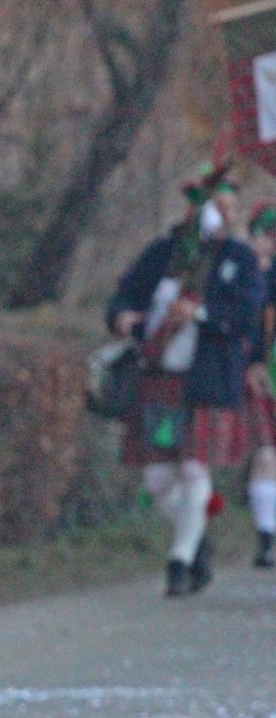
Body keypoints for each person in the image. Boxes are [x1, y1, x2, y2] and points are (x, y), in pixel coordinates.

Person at [105, 162, 264, 594]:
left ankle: (177, 563)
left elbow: (249, 314)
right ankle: (195, 543)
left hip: (206, 381)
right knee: (158, 482)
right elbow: (124, 294)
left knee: (194, 471)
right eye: (216, 205)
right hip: (158, 379)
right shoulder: (163, 252)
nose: (223, 215)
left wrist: (202, 313)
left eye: (229, 207)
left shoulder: (239, 258)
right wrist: (121, 316)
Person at [242, 200, 276, 567]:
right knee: (266, 454)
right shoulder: (254, 273)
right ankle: (266, 537)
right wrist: (253, 363)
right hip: (265, 369)